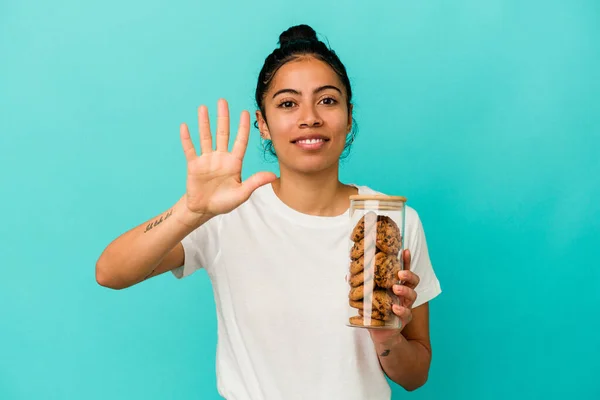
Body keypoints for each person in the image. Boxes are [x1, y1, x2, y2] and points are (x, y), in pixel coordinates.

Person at [96, 24, 442, 399]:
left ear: (348, 115)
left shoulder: (390, 221)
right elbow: (110, 272)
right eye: (288, 103)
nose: (309, 118)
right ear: (263, 123)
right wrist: (191, 210)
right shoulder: (227, 213)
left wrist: (388, 337)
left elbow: (415, 375)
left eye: (327, 100)